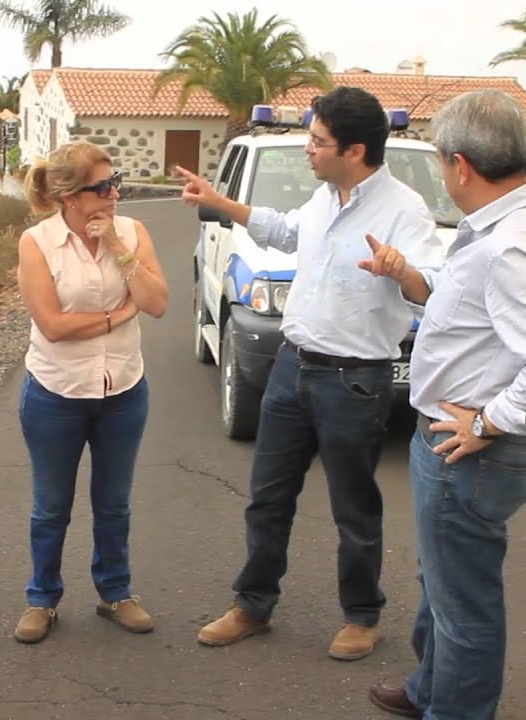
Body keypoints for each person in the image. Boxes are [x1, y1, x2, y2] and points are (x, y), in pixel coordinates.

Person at [179, 87, 442, 660]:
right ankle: (252, 605)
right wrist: (220, 202)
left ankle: (362, 615)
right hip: (291, 369)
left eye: (318, 142)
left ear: (353, 150)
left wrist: (402, 272)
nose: (309, 151)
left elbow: (433, 288)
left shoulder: (404, 210)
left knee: (354, 508)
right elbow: (286, 231)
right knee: (267, 498)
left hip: (354, 380)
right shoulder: (324, 197)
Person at [362, 89, 526, 718]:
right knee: (443, 584)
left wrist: (491, 420)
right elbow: (474, 315)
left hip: (472, 448)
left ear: (460, 164)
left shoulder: (508, 245)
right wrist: (409, 277)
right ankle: (428, 689)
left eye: (440, 162)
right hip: (463, 438)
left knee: (464, 602)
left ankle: (453, 706)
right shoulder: (525, 220)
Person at [13, 141, 169, 644]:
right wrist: (116, 315)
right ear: (68, 196)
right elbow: (53, 325)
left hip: (123, 389)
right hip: (57, 393)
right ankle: (42, 598)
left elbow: (158, 302)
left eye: (114, 181)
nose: (113, 194)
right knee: (51, 506)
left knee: (114, 502)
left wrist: (121, 252)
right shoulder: (37, 243)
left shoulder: (132, 232)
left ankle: (115, 592)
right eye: (100, 188)